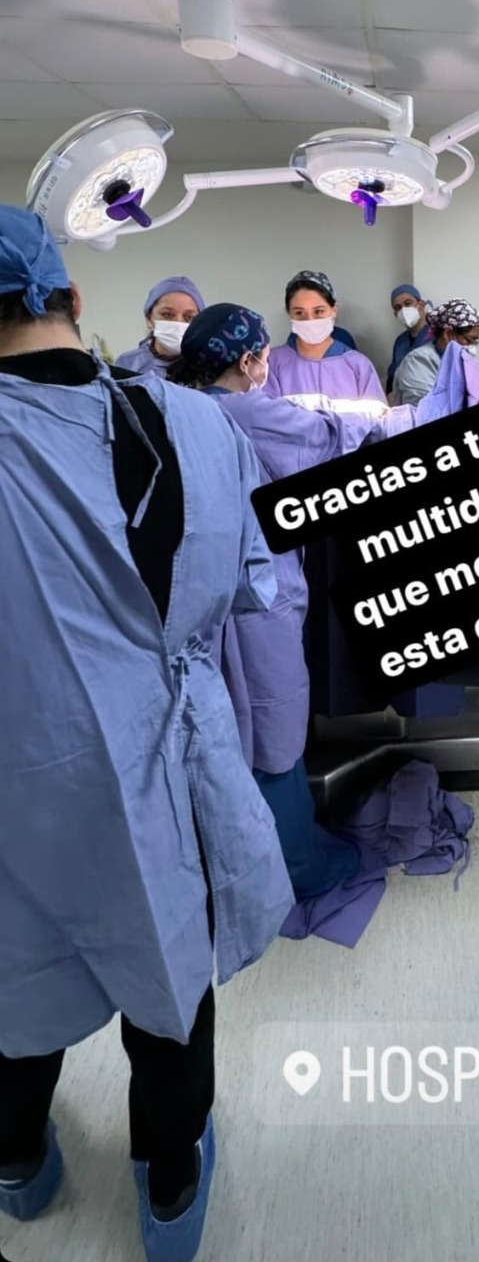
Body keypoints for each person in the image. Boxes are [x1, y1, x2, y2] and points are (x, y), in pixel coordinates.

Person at [0, 210, 292, 1260]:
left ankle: (18, 1166)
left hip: (26, 777)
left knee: (17, 979)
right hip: (173, 764)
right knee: (169, 979)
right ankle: (169, 1191)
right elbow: (251, 582)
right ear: (75, 300)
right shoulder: (204, 427)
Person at [167, 304, 364, 905]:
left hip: (196, 606)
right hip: (258, 604)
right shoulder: (247, 410)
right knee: (275, 728)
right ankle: (293, 867)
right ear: (250, 358)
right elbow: (326, 439)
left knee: (226, 731)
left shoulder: (173, 405)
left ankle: (242, 855)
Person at [264, 269, 386, 412]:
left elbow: (379, 419)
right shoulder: (272, 364)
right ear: (289, 314)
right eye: (299, 313)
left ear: (334, 310)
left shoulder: (358, 366)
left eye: (318, 311)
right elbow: (266, 418)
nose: (309, 320)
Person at [391, 299, 479, 407]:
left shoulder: (459, 361)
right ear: (448, 334)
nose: (471, 347)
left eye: (475, 342)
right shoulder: (417, 362)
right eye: (469, 340)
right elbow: (428, 410)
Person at [116, 275, 205, 378]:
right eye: (167, 315)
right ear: (149, 319)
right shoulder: (128, 364)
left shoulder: (207, 369)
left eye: (189, 317)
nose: (178, 323)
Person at [386, 283, 434, 395]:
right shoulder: (400, 341)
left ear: (421, 305)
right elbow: (392, 375)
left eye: (408, 304)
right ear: (395, 314)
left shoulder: (436, 336)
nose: (404, 310)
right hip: (404, 399)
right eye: (398, 308)